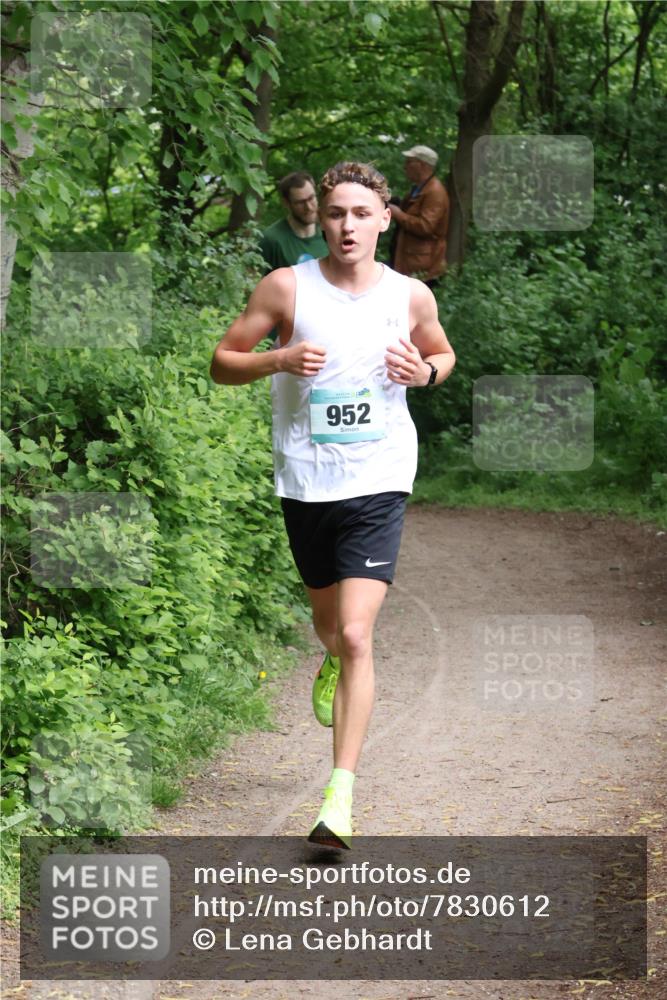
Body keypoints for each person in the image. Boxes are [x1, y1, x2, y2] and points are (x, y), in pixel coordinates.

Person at [209, 161, 456, 850]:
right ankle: (331, 659)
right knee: (329, 629)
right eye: (335, 213)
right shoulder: (287, 286)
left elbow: (443, 355)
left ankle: (337, 798)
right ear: (322, 219)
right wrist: (277, 361)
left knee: (356, 634)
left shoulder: (408, 297)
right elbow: (222, 360)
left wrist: (426, 371)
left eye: (360, 213)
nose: (347, 224)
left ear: (384, 220)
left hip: (379, 477)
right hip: (305, 481)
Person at [390, 144, 450, 287]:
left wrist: (398, 214)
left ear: (422, 165)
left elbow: (426, 227)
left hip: (422, 264)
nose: (405, 166)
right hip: (411, 260)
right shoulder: (420, 188)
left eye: (410, 162)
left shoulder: (435, 192)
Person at [260, 171, 329, 272]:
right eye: (300, 202)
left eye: (311, 198)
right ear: (286, 203)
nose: (309, 207)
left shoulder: (329, 233)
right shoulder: (271, 240)